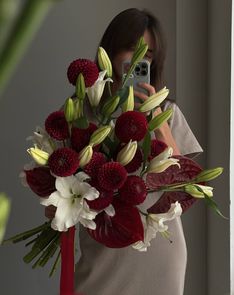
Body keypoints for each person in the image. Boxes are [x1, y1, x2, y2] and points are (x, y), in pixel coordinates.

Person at [46, 8, 203, 295]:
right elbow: (53, 189)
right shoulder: (80, 112)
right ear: (111, 50)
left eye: (149, 54)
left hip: (160, 253)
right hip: (103, 250)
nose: (140, 59)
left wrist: (156, 119)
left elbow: (185, 188)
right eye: (133, 49)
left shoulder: (167, 112)